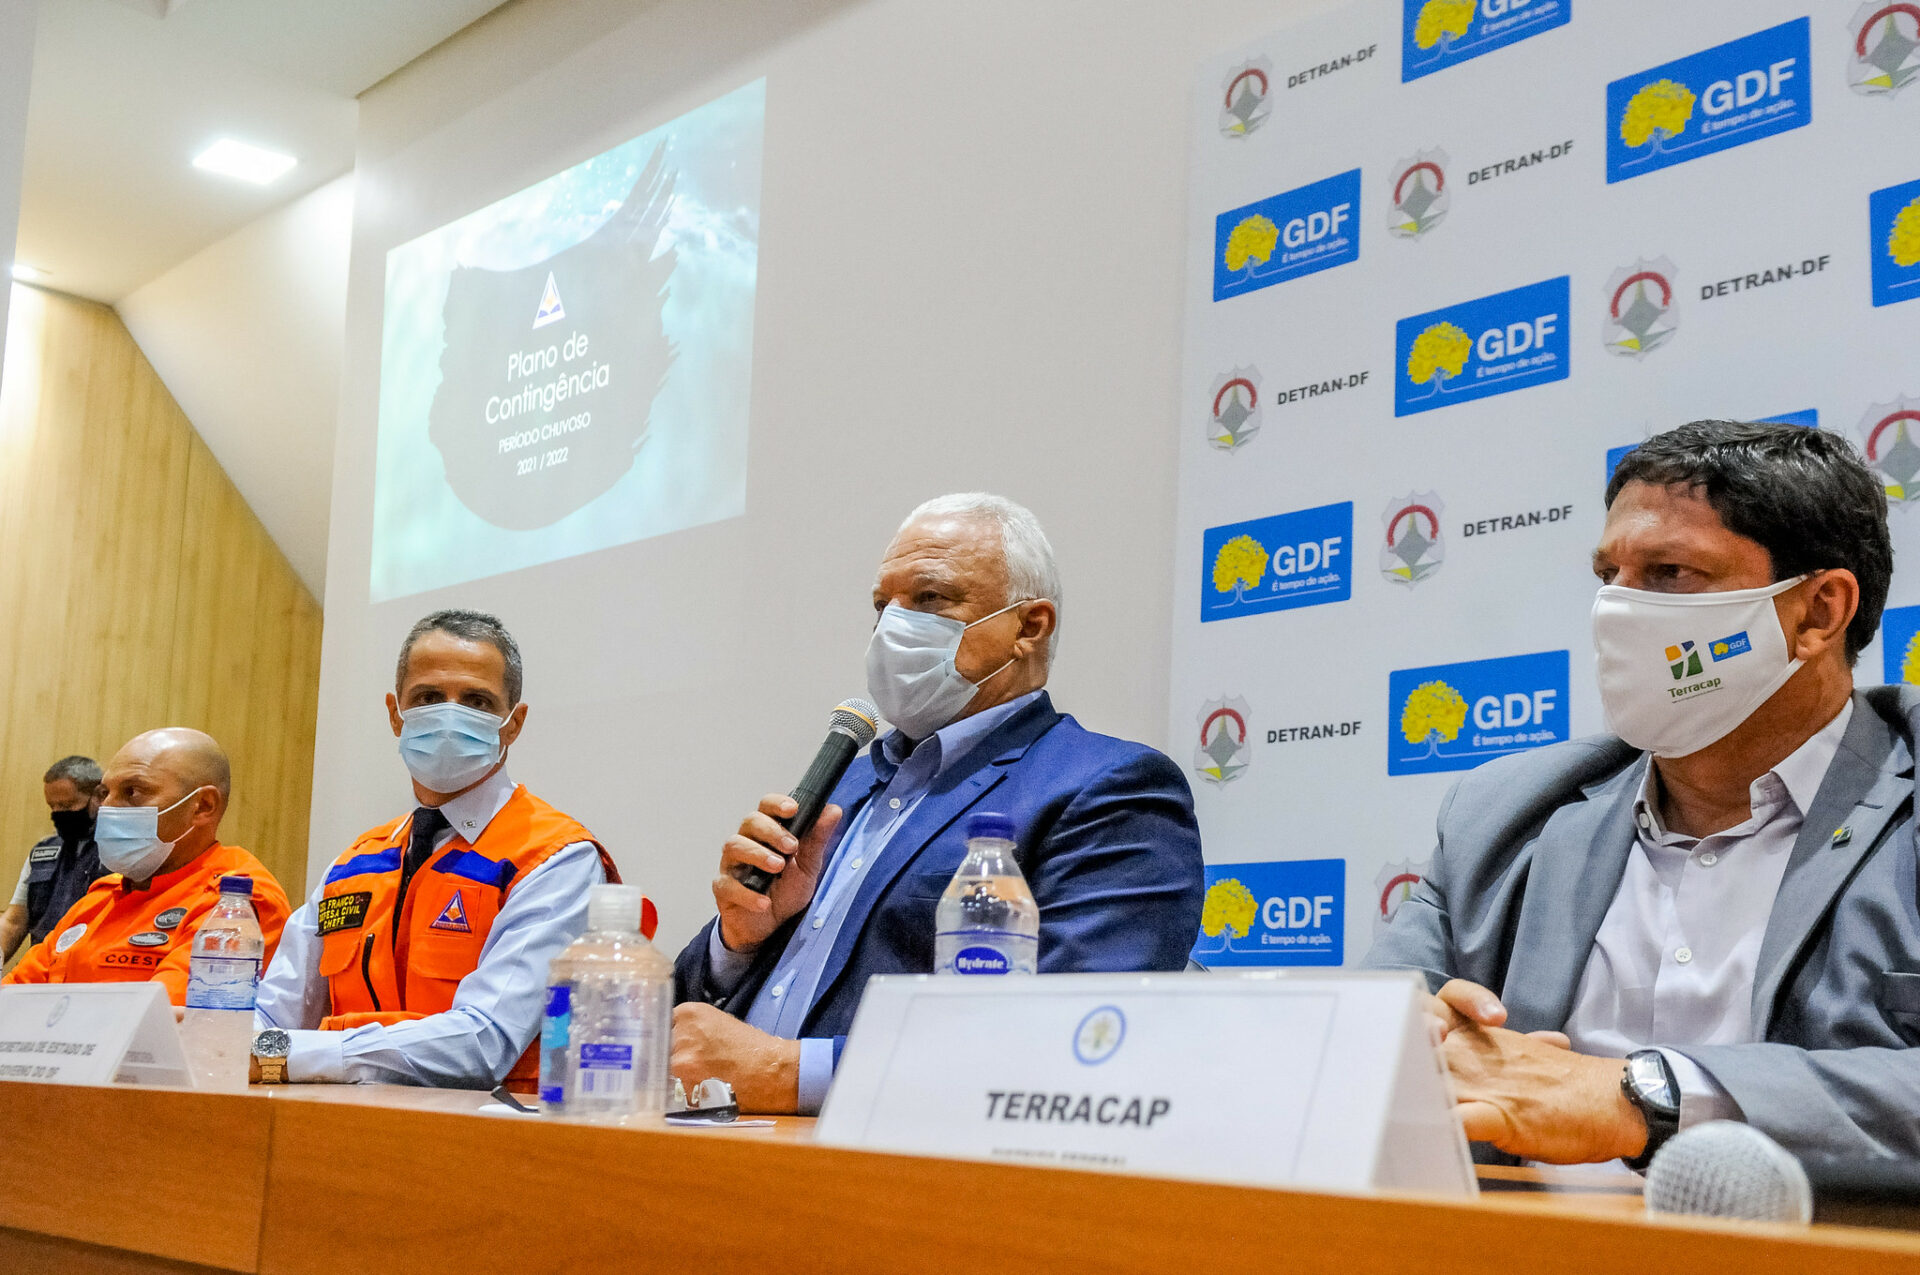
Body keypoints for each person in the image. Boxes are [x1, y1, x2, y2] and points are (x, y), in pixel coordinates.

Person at [1365, 419, 1920, 1166]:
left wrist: (1646, 1095)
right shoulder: (1504, 813)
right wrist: (1412, 1042)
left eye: (1670, 574)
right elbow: (1360, 1047)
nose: (1617, 612)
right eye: (1608, 576)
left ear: (1818, 611)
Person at [672, 493, 1205, 1114]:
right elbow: (697, 1024)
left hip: (906, 1176)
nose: (893, 625)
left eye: (930, 599)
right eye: (882, 605)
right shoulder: (841, 793)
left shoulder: (1112, 786)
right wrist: (738, 943)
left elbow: (1081, 1030)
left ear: (1028, 627)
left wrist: (796, 1073)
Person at [252, 610, 620, 1089]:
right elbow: (271, 1011)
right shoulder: (354, 862)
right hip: (336, 1132)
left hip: (488, 1140)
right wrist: (236, 1043)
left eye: (477, 702)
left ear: (514, 723)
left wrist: (286, 1056)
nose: (450, 717)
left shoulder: (556, 858)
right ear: (395, 714)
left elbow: (484, 1042)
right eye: (428, 698)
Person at [3, 729, 290, 1001]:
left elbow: (158, 1024)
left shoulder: (235, 901)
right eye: (105, 793)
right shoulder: (100, 898)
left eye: (133, 792)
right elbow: (14, 998)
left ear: (203, 806)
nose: (108, 808)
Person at [1, 755, 108, 961]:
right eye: (53, 807)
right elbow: (14, 921)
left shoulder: (123, 852)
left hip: (93, 973)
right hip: (40, 972)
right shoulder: (43, 852)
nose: (58, 814)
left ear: (99, 796)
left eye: (67, 806)